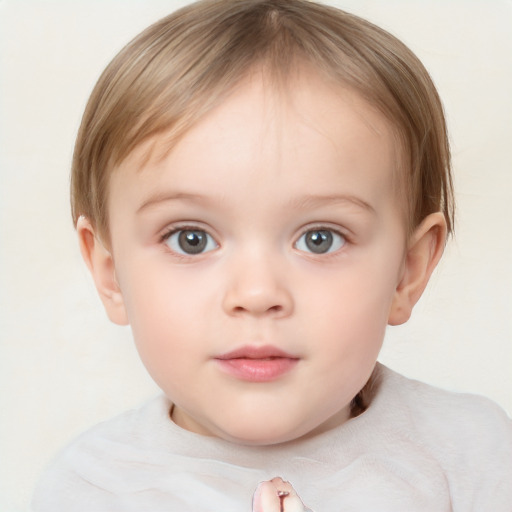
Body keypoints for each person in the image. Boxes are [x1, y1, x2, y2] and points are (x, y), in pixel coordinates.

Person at [31, 0, 512, 510]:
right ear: (110, 274)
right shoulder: (89, 489)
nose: (257, 294)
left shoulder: (473, 455)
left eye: (319, 238)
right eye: (190, 238)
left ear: (407, 272)